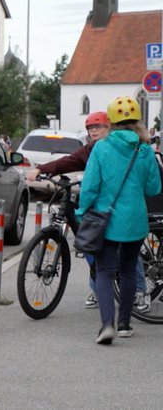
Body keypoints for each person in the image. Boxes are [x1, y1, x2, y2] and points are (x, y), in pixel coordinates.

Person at [26, 111, 151, 313]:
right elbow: (69, 161)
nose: (94, 131)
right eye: (90, 128)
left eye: (98, 127)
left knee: (125, 251)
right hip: (101, 207)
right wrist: (42, 169)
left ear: (110, 127)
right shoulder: (92, 149)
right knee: (93, 246)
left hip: (123, 208)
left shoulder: (124, 147)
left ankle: (138, 291)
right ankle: (98, 289)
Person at [76, 96, 161, 344]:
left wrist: (83, 211)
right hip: (134, 220)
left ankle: (106, 326)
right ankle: (124, 324)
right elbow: (154, 188)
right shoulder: (144, 149)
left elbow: (90, 186)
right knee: (127, 270)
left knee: (104, 270)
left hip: (106, 219)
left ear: (111, 121)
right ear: (138, 122)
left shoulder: (102, 147)